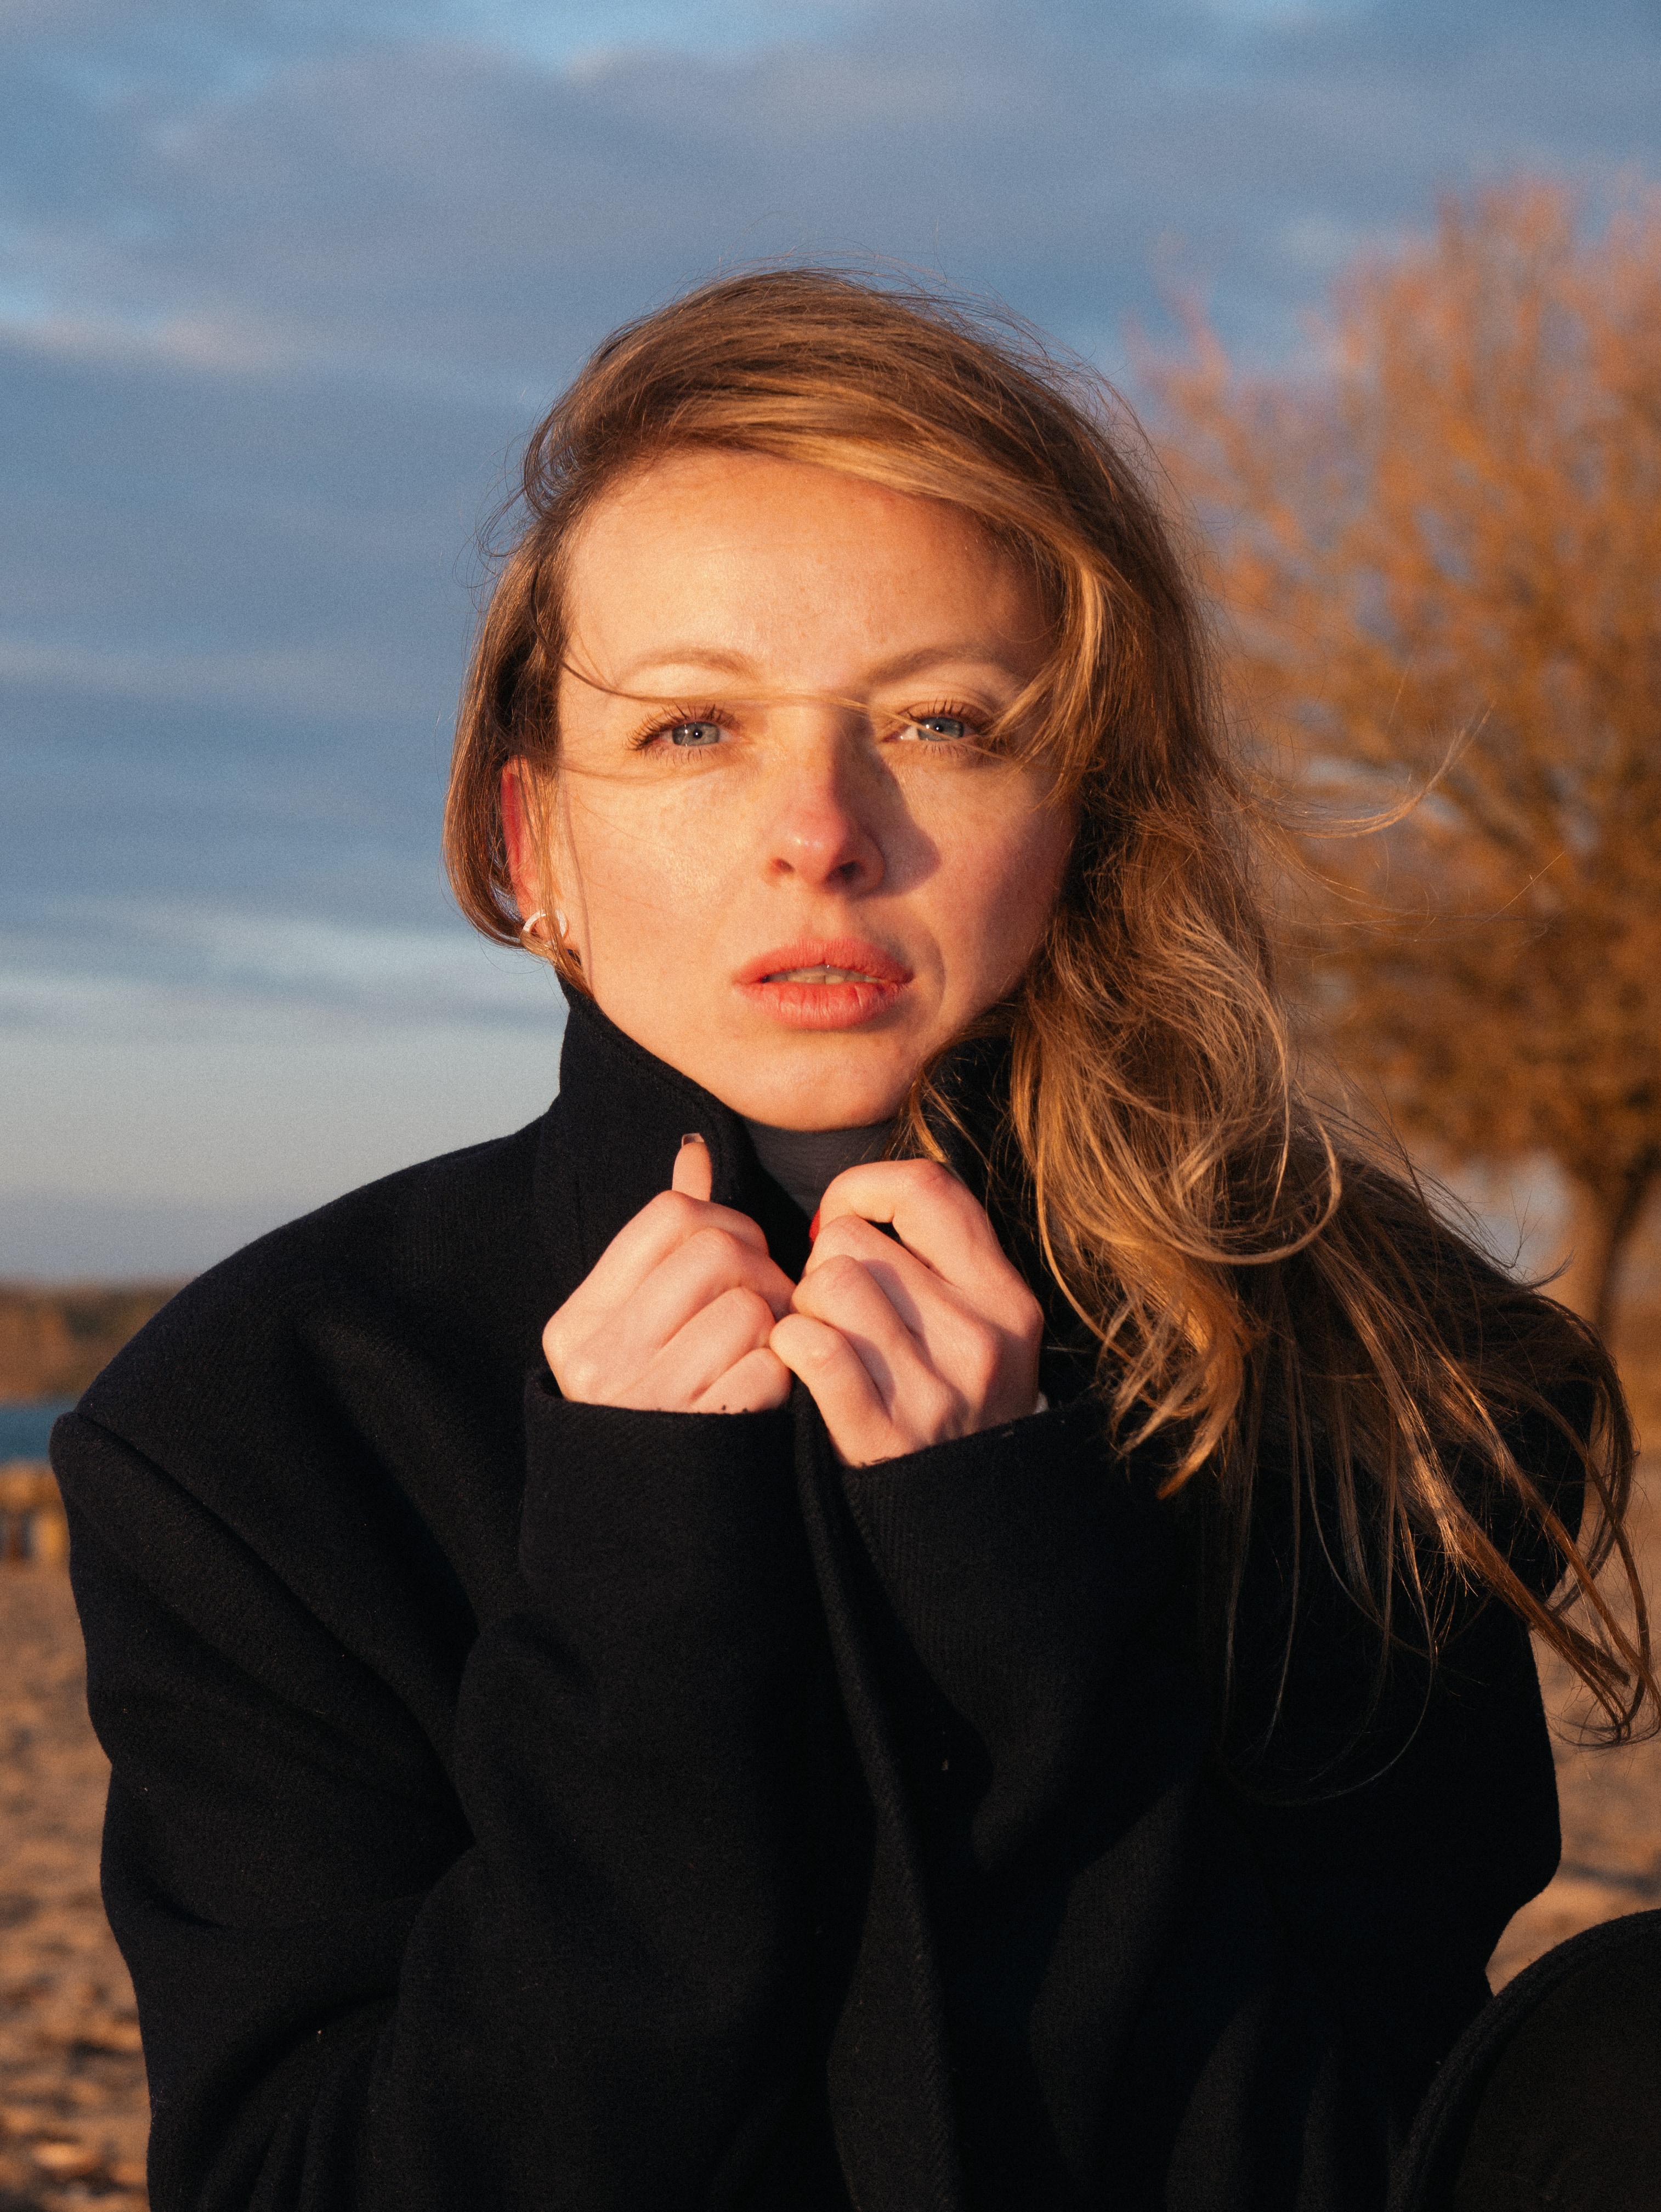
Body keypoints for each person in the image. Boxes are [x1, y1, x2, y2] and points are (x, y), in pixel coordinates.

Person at [52, 270, 1653, 2212]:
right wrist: (644, 1592)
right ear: (532, 841)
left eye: (943, 720)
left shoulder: (1382, 1376)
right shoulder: (255, 1426)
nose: (820, 830)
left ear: (1083, 809)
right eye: (693, 727)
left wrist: (1018, 1590)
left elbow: (1326, 2153)